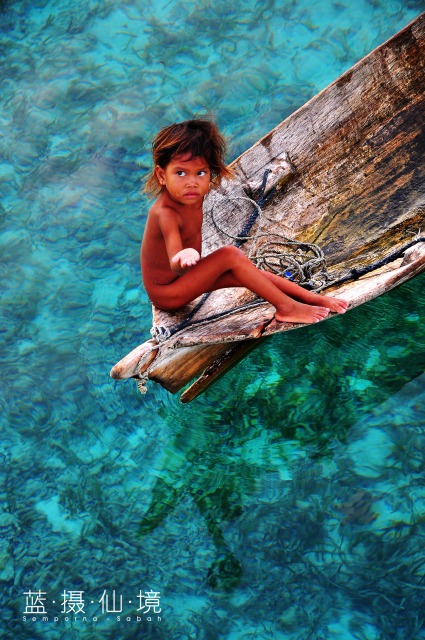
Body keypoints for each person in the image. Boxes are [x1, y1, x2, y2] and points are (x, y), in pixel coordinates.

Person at [141, 119, 348, 323]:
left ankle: (309, 297)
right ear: (161, 175)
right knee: (230, 255)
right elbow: (176, 265)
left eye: (200, 173)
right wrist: (183, 256)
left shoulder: (191, 196)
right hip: (168, 293)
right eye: (180, 173)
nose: (192, 183)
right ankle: (287, 308)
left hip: (187, 278)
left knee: (247, 272)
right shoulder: (166, 213)